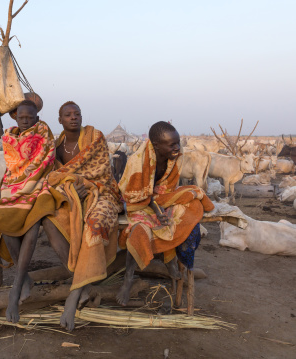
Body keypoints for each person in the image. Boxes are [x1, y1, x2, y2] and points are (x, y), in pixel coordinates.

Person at [41, 101, 123, 331]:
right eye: (68, 115)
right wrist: (70, 189)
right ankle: (83, 283)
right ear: (60, 120)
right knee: (50, 221)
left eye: (77, 114)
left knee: (94, 225)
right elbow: (56, 177)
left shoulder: (94, 137)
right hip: (72, 198)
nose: (74, 117)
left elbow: (103, 172)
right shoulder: (56, 147)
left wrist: (85, 185)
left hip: (103, 193)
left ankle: (73, 294)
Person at [0, 100, 60, 323]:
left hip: (39, 184)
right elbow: (14, 165)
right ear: (15, 117)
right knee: (4, 220)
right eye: (21, 117)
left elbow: (45, 160)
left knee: (32, 227)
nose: (25, 120)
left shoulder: (44, 136)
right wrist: (18, 185)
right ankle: (25, 280)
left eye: (29, 117)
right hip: (13, 185)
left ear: (37, 118)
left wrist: (29, 183)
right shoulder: (9, 138)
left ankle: (16, 288)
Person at [116, 121, 214, 306]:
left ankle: (170, 260)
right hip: (136, 202)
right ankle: (128, 279)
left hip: (160, 198)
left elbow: (167, 188)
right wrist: (156, 209)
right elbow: (134, 194)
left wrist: (161, 208)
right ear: (156, 145)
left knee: (185, 209)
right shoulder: (138, 161)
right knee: (140, 229)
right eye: (171, 144)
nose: (177, 147)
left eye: (177, 142)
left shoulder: (175, 156)